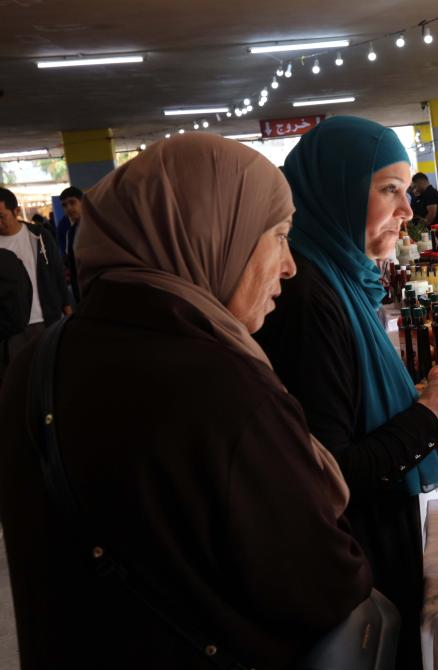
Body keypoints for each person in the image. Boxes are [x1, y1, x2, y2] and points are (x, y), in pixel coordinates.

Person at [0, 134, 374, 668]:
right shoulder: (224, 388)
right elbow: (326, 585)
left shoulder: (34, 364)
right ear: (215, 234)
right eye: (279, 237)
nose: (289, 267)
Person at [254, 116, 438, 669]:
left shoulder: (342, 276)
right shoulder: (307, 299)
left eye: (407, 189)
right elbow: (332, 471)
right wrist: (425, 417)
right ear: (339, 190)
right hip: (357, 562)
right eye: (388, 190)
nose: (407, 210)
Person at [0, 188, 71, 378]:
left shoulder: (38, 236)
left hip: (46, 319)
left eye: (1, 216)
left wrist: (68, 309)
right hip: (12, 329)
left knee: (53, 374)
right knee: (20, 377)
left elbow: (57, 274)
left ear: (16, 211)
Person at [56, 186, 84, 302]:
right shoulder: (68, 231)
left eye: (72, 203)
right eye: (64, 205)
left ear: (83, 202)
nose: (69, 208)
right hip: (81, 287)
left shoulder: (98, 224)